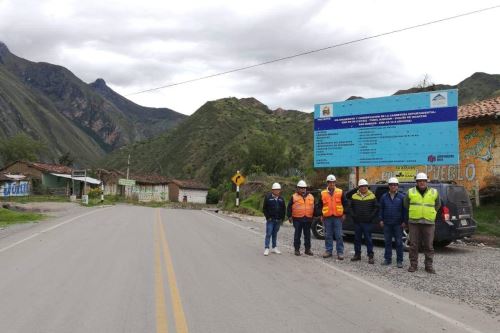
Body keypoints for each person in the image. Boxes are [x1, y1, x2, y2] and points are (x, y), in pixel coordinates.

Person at [404, 173, 441, 274]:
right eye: (420, 181)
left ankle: (428, 266)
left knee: (429, 245)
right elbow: (406, 204)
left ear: (426, 182)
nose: (422, 182)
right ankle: (413, 265)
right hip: (414, 222)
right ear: (416, 182)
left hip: (429, 222)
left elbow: (438, 205)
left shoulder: (434, 192)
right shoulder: (410, 192)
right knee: (414, 245)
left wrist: (431, 212)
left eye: (424, 181)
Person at [316, 174, 348, 260]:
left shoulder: (340, 192)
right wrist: (321, 215)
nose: (332, 184)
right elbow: (319, 205)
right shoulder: (323, 193)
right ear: (327, 183)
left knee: (339, 235)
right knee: (328, 235)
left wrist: (344, 213)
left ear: (335, 183)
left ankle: (340, 252)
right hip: (327, 218)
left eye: (333, 182)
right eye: (330, 182)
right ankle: (328, 251)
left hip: (338, 217)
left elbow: (345, 204)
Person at [349, 179, 379, 264]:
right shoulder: (354, 196)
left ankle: (370, 256)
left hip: (367, 222)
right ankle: (357, 255)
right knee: (357, 239)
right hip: (357, 222)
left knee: (368, 239)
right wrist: (353, 216)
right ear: (359, 187)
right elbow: (350, 207)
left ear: (367, 187)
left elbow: (376, 207)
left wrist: (371, 217)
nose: (363, 188)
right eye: (361, 186)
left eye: (365, 186)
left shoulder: (372, 196)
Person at [379, 177, 406, 268]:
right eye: (391, 185)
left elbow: (405, 210)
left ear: (397, 186)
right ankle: (388, 259)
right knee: (387, 242)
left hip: (398, 224)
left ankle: (399, 261)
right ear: (389, 186)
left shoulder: (402, 197)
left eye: (395, 185)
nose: (393, 186)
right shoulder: (384, 197)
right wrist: (381, 220)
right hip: (387, 223)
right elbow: (381, 209)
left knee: (399, 242)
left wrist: (404, 221)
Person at [287, 180, 314, 256]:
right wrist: (289, 216)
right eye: (301, 188)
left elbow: (313, 207)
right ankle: (297, 249)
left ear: (306, 188)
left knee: (307, 235)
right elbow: (289, 207)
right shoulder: (294, 197)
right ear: (298, 188)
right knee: (297, 235)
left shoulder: (311, 196)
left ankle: (307, 249)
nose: (303, 189)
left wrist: (314, 216)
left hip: (308, 218)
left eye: (304, 188)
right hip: (297, 219)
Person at [262, 182, 286, 256]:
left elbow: (283, 209)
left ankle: (274, 247)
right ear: (272, 190)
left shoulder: (281, 199)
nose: (277, 191)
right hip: (270, 220)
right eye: (275, 190)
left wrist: (282, 219)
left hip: (278, 220)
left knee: (275, 234)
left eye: (278, 190)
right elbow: (264, 209)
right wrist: (268, 217)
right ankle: (266, 248)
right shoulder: (268, 198)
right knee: (268, 234)